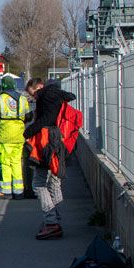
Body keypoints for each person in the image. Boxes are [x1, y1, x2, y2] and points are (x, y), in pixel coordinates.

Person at [24, 78, 76, 240]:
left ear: (39, 87)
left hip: (47, 143)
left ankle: (51, 222)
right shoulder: (57, 95)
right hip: (58, 142)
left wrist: (28, 132)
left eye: (32, 93)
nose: (33, 98)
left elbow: (46, 118)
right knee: (54, 183)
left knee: (38, 184)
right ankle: (55, 221)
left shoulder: (45, 95)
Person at [0, 77, 31, 199]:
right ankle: (18, 192)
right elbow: (29, 116)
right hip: (19, 136)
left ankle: (6, 191)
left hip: (5, 136)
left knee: (5, 164)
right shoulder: (23, 99)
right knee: (16, 163)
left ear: (3, 86)